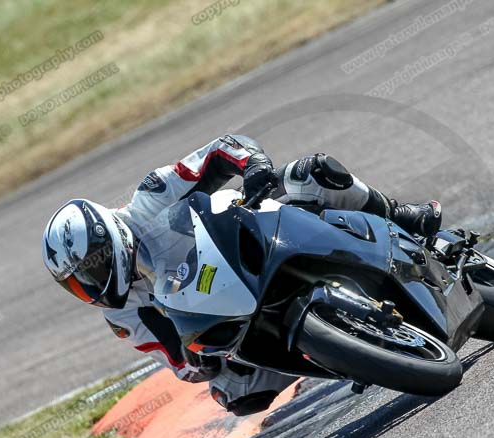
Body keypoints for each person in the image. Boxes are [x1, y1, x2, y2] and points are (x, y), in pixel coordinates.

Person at [42, 135, 442, 415]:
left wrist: (254, 165)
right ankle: (353, 358)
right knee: (236, 394)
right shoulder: (121, 313)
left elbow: (223, 148)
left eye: (90, 270)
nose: (92, 286)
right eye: (77, 284)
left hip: (262, 235)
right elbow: (180, 363)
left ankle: (398, 214)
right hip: (235, 315)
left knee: (312, 171)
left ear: (106, 237)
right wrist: (200, 357)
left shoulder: (152, 196)